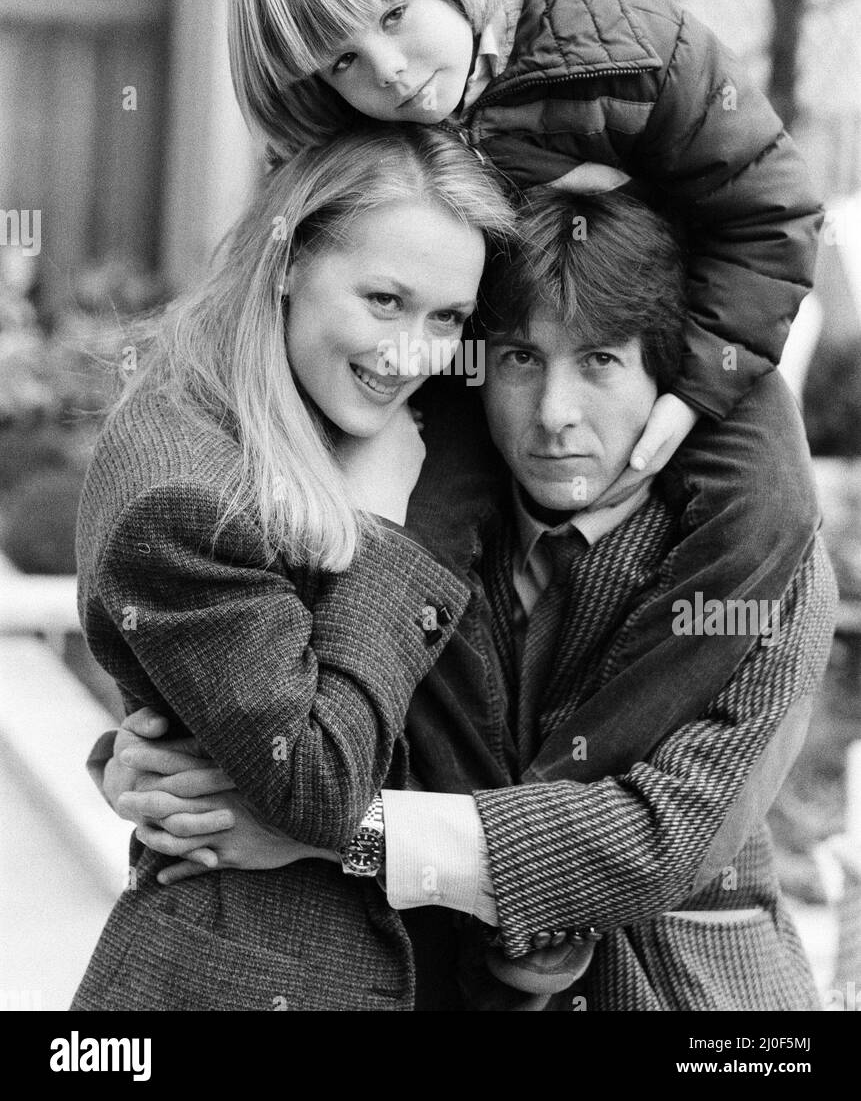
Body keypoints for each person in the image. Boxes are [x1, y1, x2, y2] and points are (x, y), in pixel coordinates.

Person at [104, 189, 838, 1012]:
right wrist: (149, 766)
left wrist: (342, 833)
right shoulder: (403, 503)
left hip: (678, 991)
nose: (555, 416)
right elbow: (297, 710)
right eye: (522, 360)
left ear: (666, 375)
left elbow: (660, 835)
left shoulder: (763, 556)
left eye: (599, 361)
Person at [225, 0, 823, 684]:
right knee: (405, 534)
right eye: (341, 61)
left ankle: (608, 762)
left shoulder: (635, 47)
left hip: (675, 343)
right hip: (475, 355)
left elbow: (769, 212)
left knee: (765, 503)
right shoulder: (360, 138)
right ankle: (331, 744)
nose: (388, 72)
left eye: (393, 14)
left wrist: (696, 389)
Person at [70, 125, 515, 1012]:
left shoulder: (296, 408)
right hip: (244, 977)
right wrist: (384, 529)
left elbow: (219, 690)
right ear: (286, 262)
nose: (412, 356)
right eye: (384, 300)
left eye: (447, 318)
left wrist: (124, 758)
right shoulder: (191, 493)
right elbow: (315, 783)